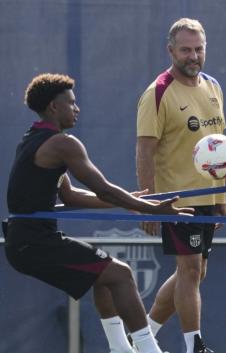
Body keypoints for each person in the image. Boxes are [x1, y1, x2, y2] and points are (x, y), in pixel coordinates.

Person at [4, 73, 193, 353]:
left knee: (104, 276)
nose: (77, 108)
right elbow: (103, 189)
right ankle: (148, 350)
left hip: (25, 242)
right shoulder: (63, 144)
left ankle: (121, 349)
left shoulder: (33, 138)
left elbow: (71, 195)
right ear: (54, 108)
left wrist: (130, 201)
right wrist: (152, 209)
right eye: (71, 103)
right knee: (122, 274)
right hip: (34, 242)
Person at [136, 18, 226, 353]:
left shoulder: (213, 86)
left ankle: (142, 336)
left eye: (199, 49)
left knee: (195, 272)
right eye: (186, 49)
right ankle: (195, 346)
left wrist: (223, 194)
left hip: (209, 196)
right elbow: (145, 149)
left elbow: (219, 146)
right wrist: (149, 202)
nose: (193, 55)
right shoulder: (157, 92)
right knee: (189, 269)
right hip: (176, 200)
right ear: (171, 50)